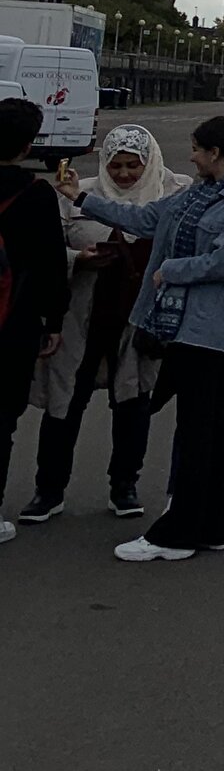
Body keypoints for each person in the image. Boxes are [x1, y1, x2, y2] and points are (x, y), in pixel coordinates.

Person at [57, 115, 224, 562]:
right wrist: (80, 197)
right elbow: (145, 217)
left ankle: (178, 534)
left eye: (197, 148)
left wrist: (170, 271)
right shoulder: (198, 192)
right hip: (185, 324)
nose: (191, 156)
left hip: (210, 327)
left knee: (197, 430)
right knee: (209, 426)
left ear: (215, 153)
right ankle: (218, 526)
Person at [19, 124, 183, 525]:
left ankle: (124, 486)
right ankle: (49, 490)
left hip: (138, 320)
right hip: (81, 319)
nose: (124, 174)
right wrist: (80, 259)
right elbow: (48, 247)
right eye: (117, 165)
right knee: (65, 406)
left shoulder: (175, 191)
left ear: (149, 163)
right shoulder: (74, 194)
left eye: (133, 165)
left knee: (132, 403)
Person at [0, 97, 73, 546]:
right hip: (15, 322)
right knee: (2, 419)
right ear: (28, 146)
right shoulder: (36, 194)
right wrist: (55, 321)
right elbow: (51, 265)